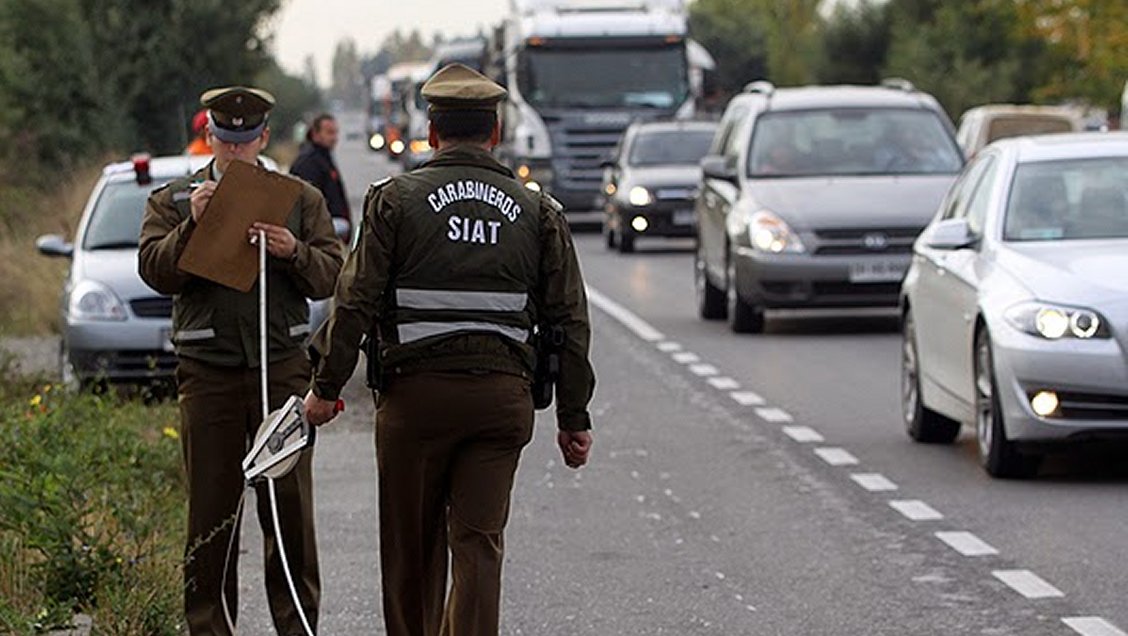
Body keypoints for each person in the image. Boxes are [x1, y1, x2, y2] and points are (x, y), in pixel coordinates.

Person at [303, 63, 596, 636]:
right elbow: (569, 320)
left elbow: (355, 300)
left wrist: (325, 387)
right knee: (479, 546)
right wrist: (573, 416)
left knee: (412, 552)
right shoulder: (538, 211)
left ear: (433, 132)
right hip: (501, 404)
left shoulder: (394, 201)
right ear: (495, 132)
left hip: (416, 406)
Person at [138, 86, 344, 636]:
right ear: (210, 137)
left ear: (264, 138)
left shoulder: (299, 198)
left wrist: (293, 251)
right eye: (225, 141)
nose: (235, 152)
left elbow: (331, 273)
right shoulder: (174, 200)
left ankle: (297, 626)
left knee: (288, 512)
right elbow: (154, 271)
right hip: (208, 373)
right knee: (211, 517)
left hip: (281, 369)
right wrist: (192, 226)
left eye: (245, 141)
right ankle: (210, 627)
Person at [290, 113, 350, 231]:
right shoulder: (309, 162)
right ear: (315, 134)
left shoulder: (323, 157)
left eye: (335, 133)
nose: (334, 138)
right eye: (329, 133)